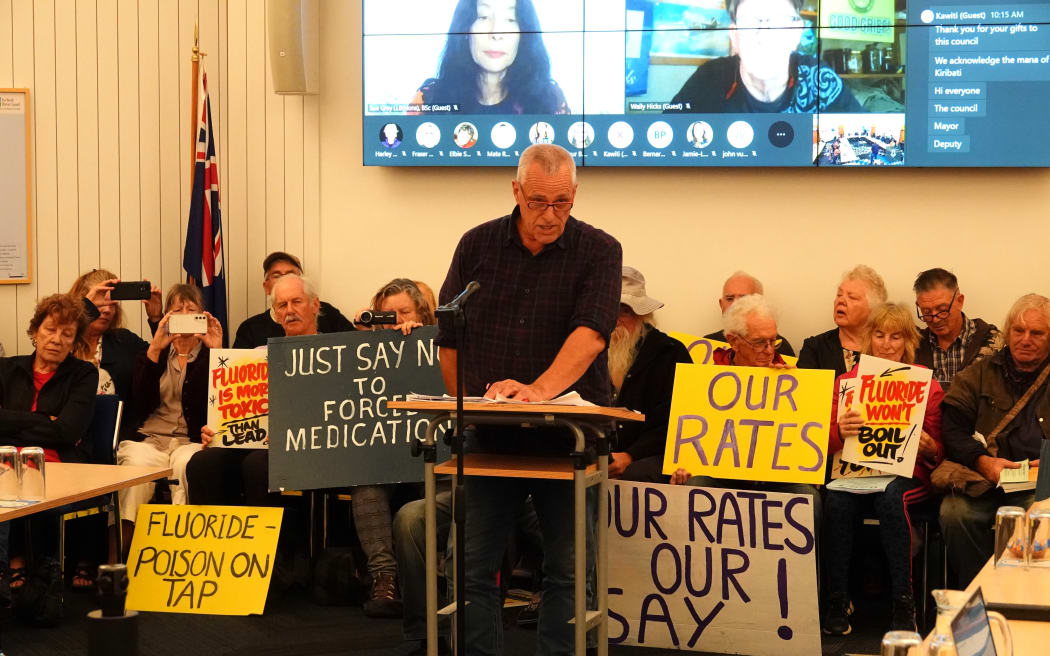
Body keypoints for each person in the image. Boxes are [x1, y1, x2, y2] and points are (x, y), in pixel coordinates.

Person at [436, 143, 621, 655]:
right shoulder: (477, 245)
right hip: (491, 434)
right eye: (538, 202)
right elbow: (448, 335)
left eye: (562, 203)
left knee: (567, 571)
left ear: (575, 195)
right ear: (516, 191)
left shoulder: (600, 250)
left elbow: (592, 333)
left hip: (568, 436)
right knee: (471, 567)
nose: (550, 215)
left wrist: (539, 393)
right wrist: (469, 403)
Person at [822, 303, 945, 636]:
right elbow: (820, 442)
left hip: (907, 476)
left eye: (896, 336)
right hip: (856, 474)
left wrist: (931, 447)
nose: (887, 344)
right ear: (868, 338)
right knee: (835, 500)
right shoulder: (847, 382)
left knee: (892, 498)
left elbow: (940, 448)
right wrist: (838, 431)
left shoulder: (926, 385)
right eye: (879, 335)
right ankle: (838, 598)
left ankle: (903, 602)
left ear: (908, 341)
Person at [937, 294, 1050, 585]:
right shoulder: (978, 374)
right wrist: (983, 461)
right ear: (1007, 331)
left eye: (1036, 332)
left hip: (1041, 487)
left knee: (1041, 516)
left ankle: (1026, 596)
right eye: (1018, 330)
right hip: (985, 483)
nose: (1025, 339)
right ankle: (979, 592)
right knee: (954, 513)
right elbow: (952, 430)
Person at [671, 295, 821, 512]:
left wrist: (800, 395)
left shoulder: (788, 376)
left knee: (809, 498)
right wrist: (683, 466)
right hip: (722, 477)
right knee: (694, 486)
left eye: (773, 340)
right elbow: (692, 439)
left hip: (777, 480)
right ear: (734, 341)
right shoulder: (708, 379)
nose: (770, 350)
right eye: (760, 342)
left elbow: (804, 441)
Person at [0, 294, 98, 604]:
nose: (56, 340)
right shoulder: (6, 369)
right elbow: (55, 426)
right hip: (5, 460)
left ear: (74, 342)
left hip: (54, 464)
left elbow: (68, 431)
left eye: (66, 334)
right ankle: (11, 566)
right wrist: (43, 419)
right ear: (34, 332)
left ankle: (14, 569)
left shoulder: (83, 375)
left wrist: (12, 423)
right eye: (50, 329)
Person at [113, 284, 222, 557]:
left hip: (192, 440)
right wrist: (154, 349)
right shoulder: (152, 354)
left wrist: (217, 353)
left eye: (191, 310)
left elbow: (221, 405)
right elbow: (140, 401)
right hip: (151, 438)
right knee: (134, 468)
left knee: (188, 465)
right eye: (177, 310)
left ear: (203, 316)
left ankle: (182, 552)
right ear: (167, 317)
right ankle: (122, 557)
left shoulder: (214, 356)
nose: (185, 314)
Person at [666, 0, 863, 113]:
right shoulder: (708, 79)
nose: (763, 35)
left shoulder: (820, 80)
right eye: (750, 22)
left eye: (778, 21)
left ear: (796, 33)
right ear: (735, 37)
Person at [412, 0, 570, 115]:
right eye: (483, 17)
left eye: (510, 19)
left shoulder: (549, 100)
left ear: (524, 34)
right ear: (465, 30)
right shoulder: (430, 98)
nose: (496, 33)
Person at [608, 266, 692, 482]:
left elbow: (678, 420)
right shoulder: (585, 350)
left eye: (624, 310)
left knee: (636, 474)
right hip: (595, 452)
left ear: (642, 314)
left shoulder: (670, 353)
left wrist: (630, 455)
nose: (615, 318)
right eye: (609, 309)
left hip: (648, 454)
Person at [68, 269, 161, 399]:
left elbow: (160, 362)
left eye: (112, 304)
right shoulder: (64, 341)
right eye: (100, 302)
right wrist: (84, 309)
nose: (107, 310)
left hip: (121, 418)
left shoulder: (124, 340)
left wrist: (156, 319)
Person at [232, 251, 354, 348]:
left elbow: (356, 346)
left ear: (315, 306)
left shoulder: (328, 312)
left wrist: (366, 331)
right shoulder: (251, 328)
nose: (290, 310)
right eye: (277, 276)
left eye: (297, 302)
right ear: (266, 287)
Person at [912, 268, 1000, 390]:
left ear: (960, 301)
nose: (935, 319)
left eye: (942, 310)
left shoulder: (991, 341)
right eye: (926, 312)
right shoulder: (913, 343)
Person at [798, 264, 888, 377]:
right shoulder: (815, 347)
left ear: (873, 309)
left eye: (852, 297)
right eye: (839, 295)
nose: (841, 301)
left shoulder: (890, 345)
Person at [704, 270, 795, 357]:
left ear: (760, 302)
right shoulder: (705, 344)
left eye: (744, 299)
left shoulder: (780, 346)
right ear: (721, 304)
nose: (735, 305)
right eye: (730, 298)